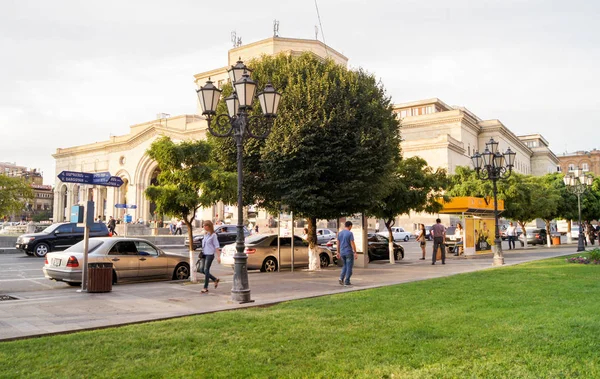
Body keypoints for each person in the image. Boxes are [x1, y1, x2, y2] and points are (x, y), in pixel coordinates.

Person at [200, 220, 220, 294]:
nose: (204, 227)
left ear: (209, 226)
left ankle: (205, 287)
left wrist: (218, 256)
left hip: (210, 254)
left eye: (205, 225)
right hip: (204, 254)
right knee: (202, 270)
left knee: (206, 269)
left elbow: (217, 246)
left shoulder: (213, 235)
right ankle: (215, 279)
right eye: (204, 225)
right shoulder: (205, 234)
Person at [337, 221, 357, 286]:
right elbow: (352, 243)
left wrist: (338, 252)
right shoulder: (350, 233)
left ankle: (341, 278)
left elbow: (338, 244)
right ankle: (347, 281)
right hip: (348, 252)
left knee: (345, 265)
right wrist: (355, 252)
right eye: (351, 226)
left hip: (342, 252)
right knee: (349, 267)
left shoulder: (340, 233)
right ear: (350, 226)